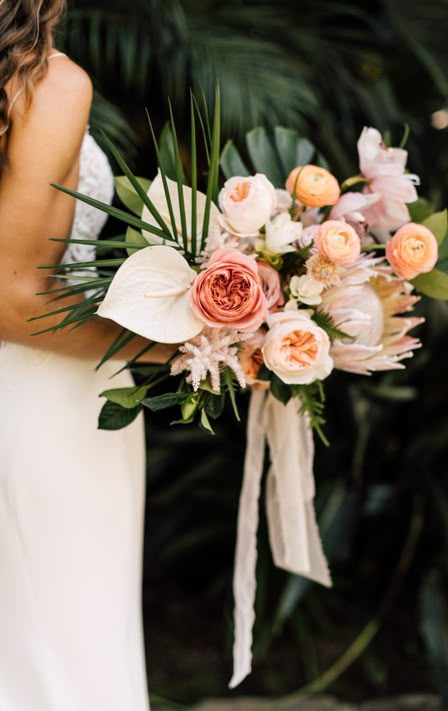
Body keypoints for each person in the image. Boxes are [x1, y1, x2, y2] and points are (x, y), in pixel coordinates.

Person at [0, 2, 174, 709]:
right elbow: (11, 300)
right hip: (42, 407)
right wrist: (180, 341)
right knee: (63, 660)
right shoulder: (47, 82)